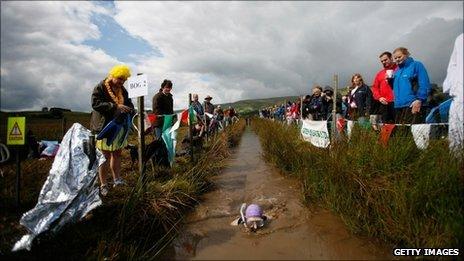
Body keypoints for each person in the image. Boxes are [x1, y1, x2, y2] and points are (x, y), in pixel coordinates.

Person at [90, 64, 134, 196]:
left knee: (117, 154)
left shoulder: (123, 90)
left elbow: (128, 103)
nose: (122, 82)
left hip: (119, 126)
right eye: (120, 79)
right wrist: (115, 106)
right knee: (104, 156)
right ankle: (103, 184)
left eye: (124, 79)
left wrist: (130, 108)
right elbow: (95, 104)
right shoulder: (100, 87)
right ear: (113, 75)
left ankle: (117, 180)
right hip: (104, 127)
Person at [392, 47, 431, 124]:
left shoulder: (416, 65)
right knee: (401, 133)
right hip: (398, 106)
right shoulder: (396, 71)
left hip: (413, 104)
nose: (397, 59)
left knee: (415, 133)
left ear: (406, 55)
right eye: (395, 58)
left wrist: (419, 100)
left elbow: (424, 83)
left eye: (399, 57)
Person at [442, 33, 463, 154]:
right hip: (458, 94)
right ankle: (457, 161)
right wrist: (451, 86)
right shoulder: (460, 39)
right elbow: (453, 64)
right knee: (456, 132)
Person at [372, 51, 397, 124]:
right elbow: (375, 88)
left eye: (385, 60)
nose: (383, 62)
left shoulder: (399, 69)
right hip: (384, 103)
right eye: (382, 61)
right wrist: (379, 97)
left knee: (399, 125)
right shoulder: (380, 74)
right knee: (386, 125)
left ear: (391, 58)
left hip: (397, 102)